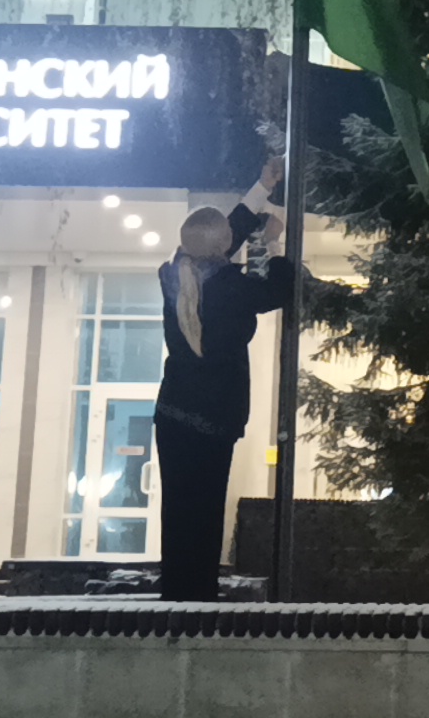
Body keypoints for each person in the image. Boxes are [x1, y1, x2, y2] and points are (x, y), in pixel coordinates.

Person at [154, 159, 292, 602]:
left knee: (178, 509)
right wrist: (273, 244)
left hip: (173, 412)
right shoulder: (232, 287)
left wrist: (262, 187)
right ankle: (198, 599)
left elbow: (216, 239)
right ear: (224, 246)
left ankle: (176, 595)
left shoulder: (172, 274)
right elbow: (280, 290)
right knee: (207, 509)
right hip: (214, 416)